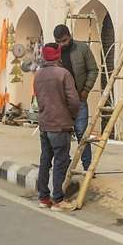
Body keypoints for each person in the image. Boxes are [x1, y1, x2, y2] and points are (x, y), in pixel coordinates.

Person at [33, 42, 80, 211]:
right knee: (61, 160)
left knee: (45, 160)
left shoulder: (38, 75)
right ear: (58, 55)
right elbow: (74, 101)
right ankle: (58, 200)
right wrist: (72, 116)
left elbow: (38, 98)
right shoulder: (63, 74)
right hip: (60, 125)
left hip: (44, 124)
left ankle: (43, 197)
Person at [53, 25, 97, 172]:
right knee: (63, 134)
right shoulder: (55, 53)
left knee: (81, 133)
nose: (62, 44)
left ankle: (88, 168)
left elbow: (93, 70)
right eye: (59, 42)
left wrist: (86, 90)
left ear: (70, 36)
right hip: (62, 102)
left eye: (65, 40)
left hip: (79, 100)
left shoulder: (82, 48)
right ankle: (65, 166)